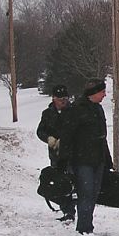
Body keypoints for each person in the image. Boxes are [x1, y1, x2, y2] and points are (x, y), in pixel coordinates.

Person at [59, 78, 113, 235]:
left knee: (94, 193)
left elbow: (101, 137)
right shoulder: (76, 109)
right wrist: (64, 160)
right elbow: (67, 136)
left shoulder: (98, 109)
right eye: (102, 91)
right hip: (82, 159)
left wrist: (107, 159)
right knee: (86, 192)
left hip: (98, 158)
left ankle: (87, 224)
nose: (104, 95)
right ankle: (84, 227)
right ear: (94, 93)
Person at [36, 84, 76, 221]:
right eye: (60, 98)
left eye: (65, 98)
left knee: (71, 182)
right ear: (54, 98)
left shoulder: (73, 112)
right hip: (56, 155)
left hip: (72, 154)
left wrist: (66, 141)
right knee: (59, 183)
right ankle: (66, 209)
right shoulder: (47, 114)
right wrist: (48, 138)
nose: (63, 101)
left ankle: (71, 211)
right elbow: (40, 131)